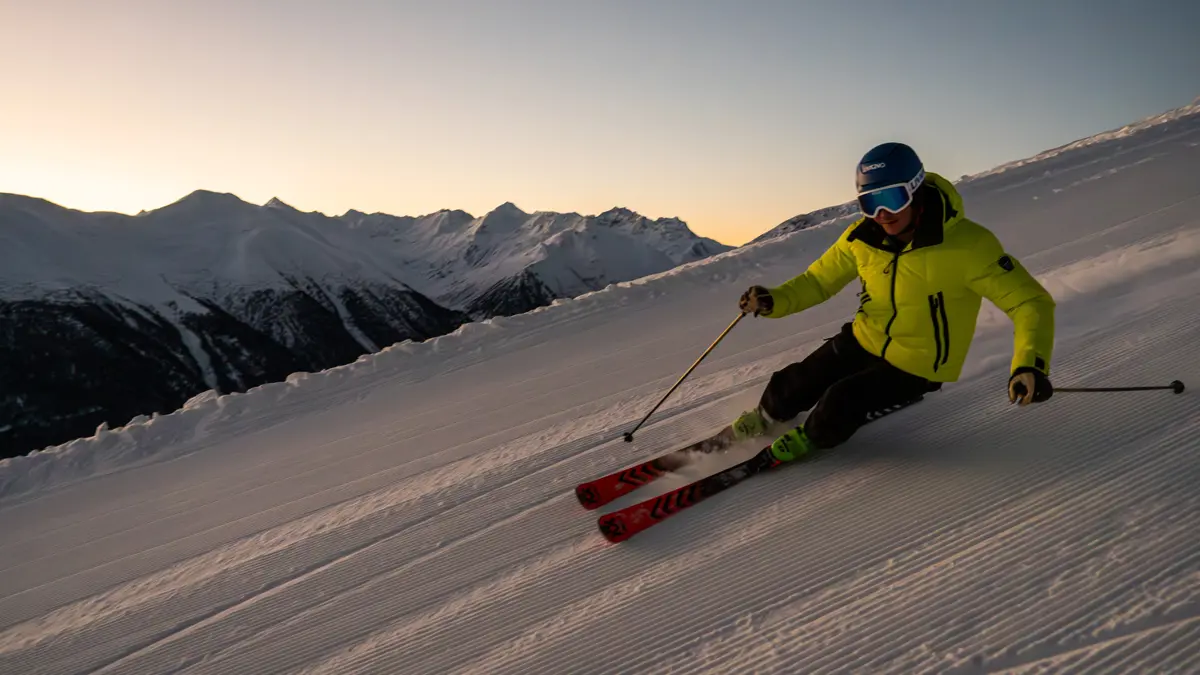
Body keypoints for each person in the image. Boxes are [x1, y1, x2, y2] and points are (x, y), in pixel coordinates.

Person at [732, 142, 1056, 464]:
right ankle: (765, 416)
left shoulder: (969, 246)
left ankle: (808, 439)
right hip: (865, 338)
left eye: (890, 198)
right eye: (869, 202)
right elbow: (818, 281)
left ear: (915, 191)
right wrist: (774, 300)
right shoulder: (861, 238)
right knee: (796, 382)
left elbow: (1029, 302)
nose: (881, 214)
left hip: (918, 364)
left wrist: (1030, 365)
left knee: (841, 400)